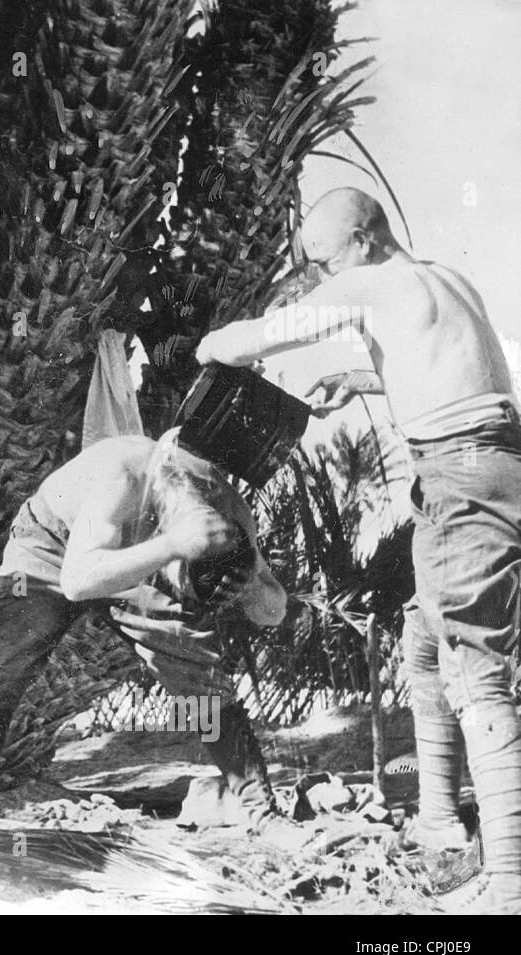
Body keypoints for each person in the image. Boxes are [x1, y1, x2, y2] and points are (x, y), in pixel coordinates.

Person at [198, 186, 521, 913]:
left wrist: (209, 345)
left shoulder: (367, 281)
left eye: (324, 259)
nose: (320, 276)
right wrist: (361, 375)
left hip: (458, 471)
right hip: (493, 462)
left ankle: (509, 887)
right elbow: (449, 366)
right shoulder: (443, 278)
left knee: (475, 670)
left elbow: (250, 341)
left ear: (366, 238)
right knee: (425, 643)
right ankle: (441, 828)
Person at [0, 432, 288, 820]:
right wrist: (172, 546)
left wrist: (250, 590)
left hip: (150, 557)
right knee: (9, 656)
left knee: (195, 668)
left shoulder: (233, 516)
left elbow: (274, 610)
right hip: (54, 542)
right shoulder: (124, 476)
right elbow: (79, 582)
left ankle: (260, 811)